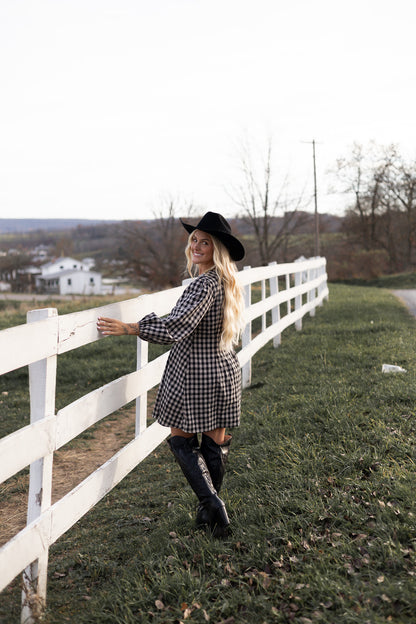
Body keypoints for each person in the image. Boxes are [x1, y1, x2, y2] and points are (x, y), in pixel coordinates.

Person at [97, 212, 245, 537]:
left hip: (196, 374)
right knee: (214, 443)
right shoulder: (224, 281)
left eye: (205, 242)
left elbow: (176, 327)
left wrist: (130, 327)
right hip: (222, 370)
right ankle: (209, 512)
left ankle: (215, 506)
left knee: (181, 441)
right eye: (194, 239)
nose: (197, 245)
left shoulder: (204, 285)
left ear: (216, 248)